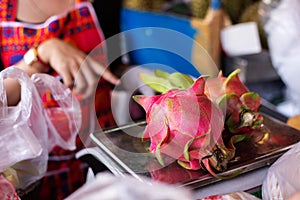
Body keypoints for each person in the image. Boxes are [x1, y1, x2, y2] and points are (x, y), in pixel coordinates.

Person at [0, 0, 129, 199]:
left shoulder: (104, 5)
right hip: (33, 176)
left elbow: (116, 68)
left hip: (104, 156)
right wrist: (41, 55)